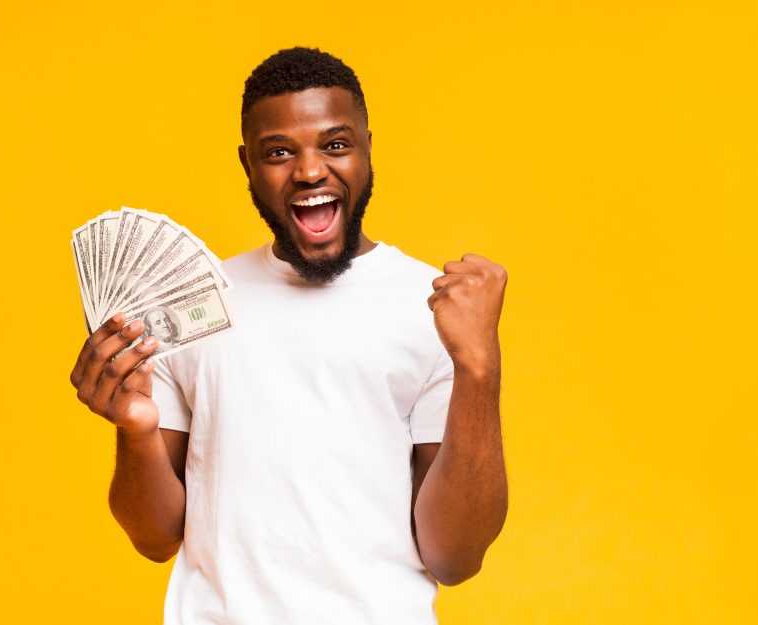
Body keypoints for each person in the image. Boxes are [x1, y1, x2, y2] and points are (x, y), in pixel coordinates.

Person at [70, 47, 509, 625]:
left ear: (368, 148)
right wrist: (135, 431)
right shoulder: (195, 302)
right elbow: (154, 538)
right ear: (247, 163)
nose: (308, 171)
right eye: (279, 152)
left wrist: (479, 370)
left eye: (334, 144)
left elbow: (455, 557)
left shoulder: (434, 310)